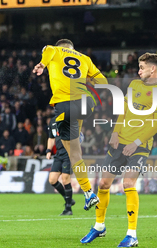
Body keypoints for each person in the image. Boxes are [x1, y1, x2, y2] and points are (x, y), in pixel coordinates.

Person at [81, 53, 157, 247]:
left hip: (140, 146)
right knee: (103, 184)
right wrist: (115, 132)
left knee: (128, 183)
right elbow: (124, 111)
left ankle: (131, 234)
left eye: (142, 67)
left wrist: (136, 142)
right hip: (120, 142)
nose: (138, 71)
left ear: (152, 69)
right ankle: (99, 226)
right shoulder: (134, 85)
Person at [33, 39, 108, 210]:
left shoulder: (54, 50)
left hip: (64, 104)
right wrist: (87, 78)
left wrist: (42, 64)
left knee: (73, 153)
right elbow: (103, 82)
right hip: (86, 102)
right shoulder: (85, 58)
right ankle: (77, 134)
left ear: (61, 47)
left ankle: (89, 193)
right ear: (72, 48)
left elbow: (49, 51)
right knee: (75, 144)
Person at [46, 117, 75, 216]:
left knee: (65, 178)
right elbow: (51, 137)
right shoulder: (53, 121)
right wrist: (49, 150)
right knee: (52, 180)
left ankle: (68, 208)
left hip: (69, 152)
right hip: (59, 153)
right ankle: (69, 200)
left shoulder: (68, 118)